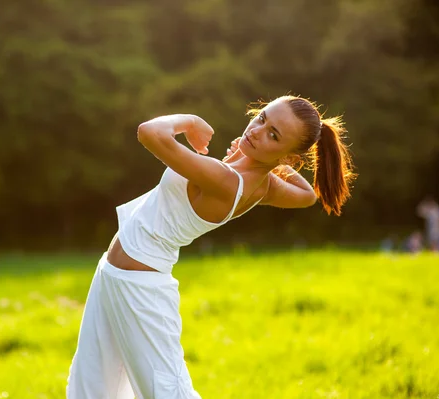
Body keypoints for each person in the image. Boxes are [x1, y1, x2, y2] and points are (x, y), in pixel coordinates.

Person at [66, 95, 356, 399]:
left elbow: (149, 133)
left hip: (140, 288)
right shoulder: (261, 184)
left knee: (168, 391)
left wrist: (190, 122)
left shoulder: (225, 179)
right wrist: (265, 160)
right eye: (262, 119)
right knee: (92, 384)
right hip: (115, 275)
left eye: (273, 135)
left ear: (289, 159)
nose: (256, 131)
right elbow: (307, 194)